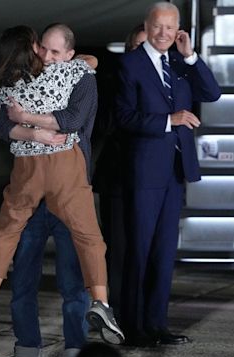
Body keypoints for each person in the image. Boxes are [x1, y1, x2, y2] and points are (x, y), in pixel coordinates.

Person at [0, 24, 123, 350]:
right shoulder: (75, 73)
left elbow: (4, 123)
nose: (47, 56)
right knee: (89, 241)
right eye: (42, 49)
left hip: (28, 170)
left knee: (5, 233)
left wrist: (28, 123)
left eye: (53, 51)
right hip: (64, 168)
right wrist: (40, 130)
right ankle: (101, 305)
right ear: (33, 50)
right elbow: (72, 118)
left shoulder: (12, 86)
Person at [115, 2, 221, 346]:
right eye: (158, 27)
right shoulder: (129, 64)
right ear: (148, 25)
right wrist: (168, 120)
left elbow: (211, 92)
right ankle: (132, 327)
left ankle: (157, 324)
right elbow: (124, 117)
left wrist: (191, 57)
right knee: (140, 250)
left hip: (175, 171)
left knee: (164, 251)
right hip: (144, 171)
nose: (164, 34)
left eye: (170, 28)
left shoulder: (179, 62)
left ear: (179, 30)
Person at [92, 24, 147, 320]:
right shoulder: (114, 81)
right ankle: (117, 313)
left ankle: (144, 314)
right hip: (118, 176)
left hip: (152, 180)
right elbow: (105, 125)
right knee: (119, 250)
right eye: (137, 47)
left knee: (147, 250)